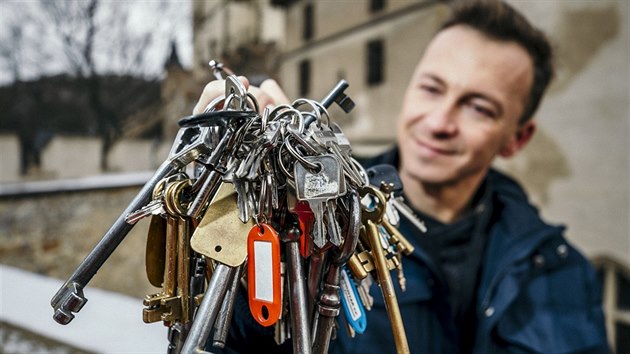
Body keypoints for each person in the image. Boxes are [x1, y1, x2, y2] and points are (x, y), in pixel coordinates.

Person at [193, 1, 610, 353]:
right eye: (431, 88)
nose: (439, 121)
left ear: (517, 139)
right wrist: (246, 205)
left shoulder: (567, 274)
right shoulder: (314, 235)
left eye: (478, 107)